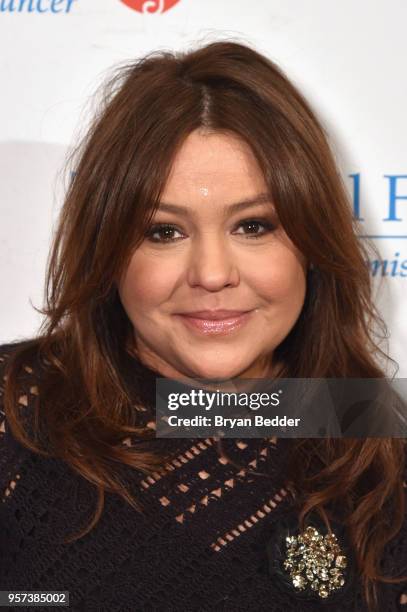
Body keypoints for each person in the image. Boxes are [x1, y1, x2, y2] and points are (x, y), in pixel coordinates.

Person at [0, 40, 406, 612]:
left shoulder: (380, 440)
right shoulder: (16, 410)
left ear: (312, 244)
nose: (212, 274)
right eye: (164, 232)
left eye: (255, 226)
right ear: (109, 250)